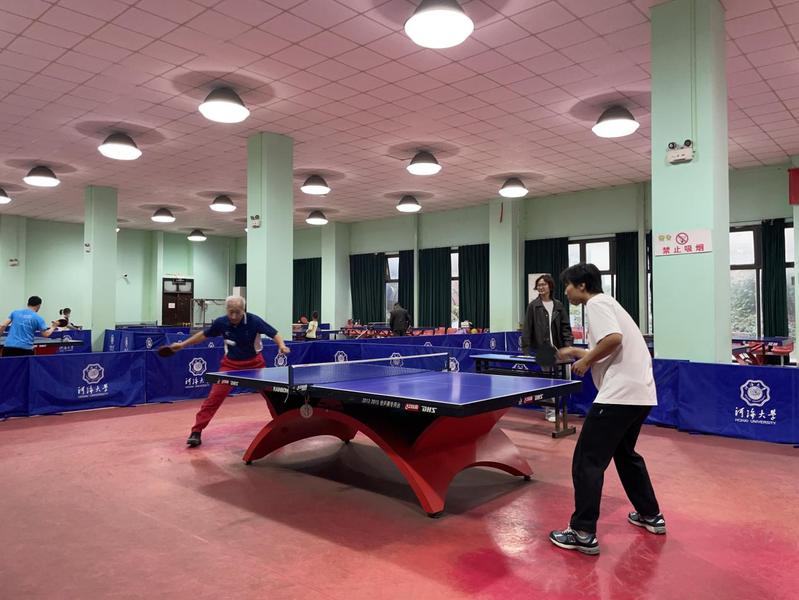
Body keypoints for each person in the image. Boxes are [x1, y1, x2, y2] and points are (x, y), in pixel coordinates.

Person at [549, 263, 664, 556]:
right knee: (625, 455)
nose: (566, 291)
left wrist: (585, 361)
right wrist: (578, 352)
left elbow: (613, 339)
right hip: (640, 395)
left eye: (568, 285)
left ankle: (582, 532)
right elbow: (611, 346)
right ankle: (651, 515)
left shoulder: (596, 304)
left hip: (619, 396)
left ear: (582, 286)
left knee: (587, 460)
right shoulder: (610, 303)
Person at [168, 295, 290, 447]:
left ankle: (281, 427)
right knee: (214, 398)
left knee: (273, 396)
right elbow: (204, 335)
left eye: (237, 312)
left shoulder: (254, 321)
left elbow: (274, 333)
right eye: (231, 311)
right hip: (230, 366)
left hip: (255, 364)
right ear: (226, 310)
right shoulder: (221, 322)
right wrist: (182, 345)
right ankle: (196, 431)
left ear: (243, 310)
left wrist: (282, 345)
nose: (233, 316)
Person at [521, 274, 573, 422]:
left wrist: (568, 345)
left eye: (543, 284)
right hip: (543, 349)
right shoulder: (533, 306)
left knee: (563, 379)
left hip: (560, 349)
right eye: (539, 285)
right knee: (547, 381)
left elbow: (565, 327)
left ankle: (559, 408)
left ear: (550, 286)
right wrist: (525, 350)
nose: (541, 287)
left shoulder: (559, 305)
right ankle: (550, 411)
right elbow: (527, 329)